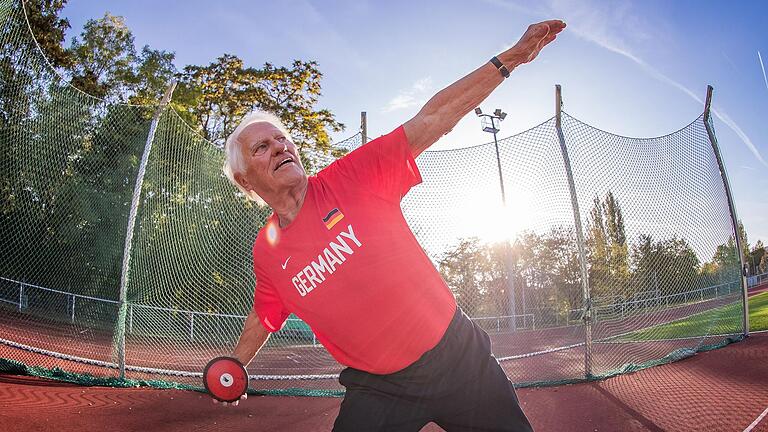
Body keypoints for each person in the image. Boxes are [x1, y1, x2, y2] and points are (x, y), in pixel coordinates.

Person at [217, 20, 566, 432]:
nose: (279, 146)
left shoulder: (353, 177)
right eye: (262, 147)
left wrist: (511, 58)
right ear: (245, 180)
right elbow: (266, 312)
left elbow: (434, 117)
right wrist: (237, 362)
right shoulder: (267, 250)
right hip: (381, 388)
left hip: (458, 359)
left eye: (281, 139)